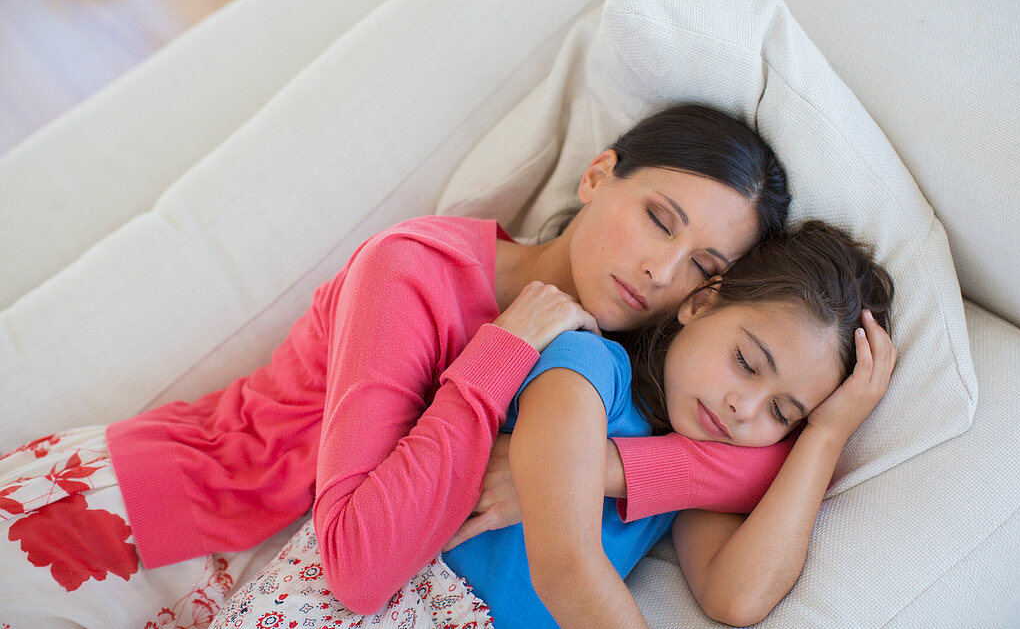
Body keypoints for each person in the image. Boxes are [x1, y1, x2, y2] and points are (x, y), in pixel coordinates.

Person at [0, 104, 800, 628]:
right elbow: (356, 563)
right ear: (597, 176)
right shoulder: (417, 270)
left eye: (702, 267)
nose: (662, 272)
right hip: (149, 524)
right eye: (658, 220)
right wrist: (505, 345)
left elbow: (742, 466)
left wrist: (592, 470)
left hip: (274, 589)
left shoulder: (608, 370)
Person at [212, 219, 896, 629]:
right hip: (379, 606)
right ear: (702, 303)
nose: (747, 408)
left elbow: (738, 595)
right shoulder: (583, 367)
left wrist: (828, 434)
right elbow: (564, 563)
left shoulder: (690, 461)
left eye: (784, 412)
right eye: (747, 362)